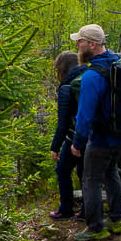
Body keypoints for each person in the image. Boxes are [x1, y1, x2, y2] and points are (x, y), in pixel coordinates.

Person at [66, 23, 121, 241]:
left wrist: (77, 143)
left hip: (101, 137)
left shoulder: (92, 76)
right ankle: (116, 220)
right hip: (120, 134)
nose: (77, 45)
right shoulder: (117, 62)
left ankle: (95, 228)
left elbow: (85, 115)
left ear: (92, 44)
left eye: (80, 41)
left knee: (90, 179)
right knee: (111, 172)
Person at [49, 50, 83, 219]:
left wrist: (55, 147)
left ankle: (66, 209)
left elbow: (63, 123)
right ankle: (86, 211)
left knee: (62, 170)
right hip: (93, 135)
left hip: (74, 138)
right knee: (85, 174)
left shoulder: (67, 88)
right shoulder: (88, 76)